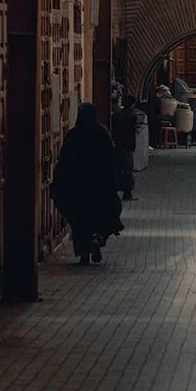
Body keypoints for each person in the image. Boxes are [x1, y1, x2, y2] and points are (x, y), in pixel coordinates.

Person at [51, 102, 124, 265]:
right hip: (99, 187)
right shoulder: (102, 134)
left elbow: (64, 162)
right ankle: (97, 239)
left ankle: (84, 254)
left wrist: (59, 183)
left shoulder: (73, 135)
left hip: (77, 188)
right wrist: (114, 184)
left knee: (80, 221)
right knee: (102, 217)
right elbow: (110, 162)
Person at [112, 94, 138, 201]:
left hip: (118, 145)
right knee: (128, 170)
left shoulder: (117, 114)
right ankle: (127, 193)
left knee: (118, 169)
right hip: (127, 146)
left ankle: (114, 191)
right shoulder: (132, 116)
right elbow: (132, 132)